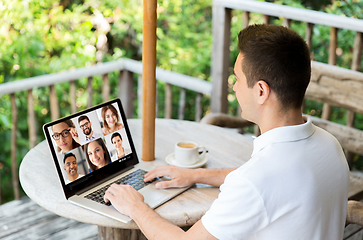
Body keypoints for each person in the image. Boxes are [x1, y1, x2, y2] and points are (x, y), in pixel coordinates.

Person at [103, 24, 349, 239]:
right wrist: (196, 175)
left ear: (261, 91)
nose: (235, 88)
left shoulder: (257, 179)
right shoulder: (329, 146)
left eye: (237, 79)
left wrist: (136, 206)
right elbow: (272, 183)